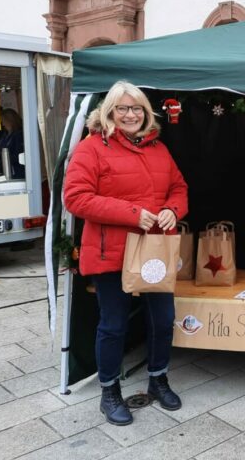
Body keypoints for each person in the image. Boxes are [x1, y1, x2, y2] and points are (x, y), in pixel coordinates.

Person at [64, 81, 188, 427]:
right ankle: (109, 392)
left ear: (147, 113)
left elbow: (178, 188)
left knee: (162, 320)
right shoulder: (91, 148)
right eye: (123, 108)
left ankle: (158, 379)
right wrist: (132, 213)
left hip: (153, 251)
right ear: (109, 112)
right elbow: (75, 198)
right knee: (113, 325)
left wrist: (173, 210)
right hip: (111, 252)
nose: (130, 114)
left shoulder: (158, 149)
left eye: (137, 108)